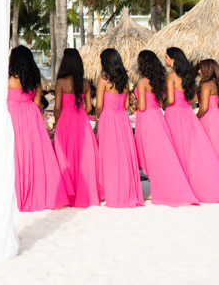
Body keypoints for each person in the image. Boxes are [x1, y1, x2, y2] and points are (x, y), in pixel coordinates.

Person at [163, 47, 219, 204]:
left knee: (176, 149)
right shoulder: (188, 77)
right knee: (189, 149)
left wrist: (163, 104)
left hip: (174, 113)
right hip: (187, 112)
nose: (165, 59)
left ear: (173, 59)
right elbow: (191, 99)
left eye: (167, 57)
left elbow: (170, 99)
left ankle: (181, 184)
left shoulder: (171, 77)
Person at [133, 50, 198, 206]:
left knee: (152, 155)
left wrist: (134, 103)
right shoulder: (160, 80)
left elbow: (141, 106)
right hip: (157, 116)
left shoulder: (142, 82)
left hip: (147, 117)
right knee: (161, 153)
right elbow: (161, 103)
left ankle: (162, 189)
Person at [8, 46, 68, 211]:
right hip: (30, 116)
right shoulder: (34, 78)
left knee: (15, 155)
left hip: (12, 115)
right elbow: (36, 103)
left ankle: (17, 194)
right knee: (32, 155)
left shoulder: (7, 78)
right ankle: (36, 192)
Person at [94, 48, 144, 208]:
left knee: (109, 155)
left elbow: (99, 105)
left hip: (108, 118)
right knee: (123, 154)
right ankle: (125, 189)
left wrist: (97, 116)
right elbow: (126, 105)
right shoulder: (124, 80)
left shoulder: (103, 80)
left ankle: (110, 190)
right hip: (122, 118)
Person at [52, 48, 100, 207]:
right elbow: (88, 108)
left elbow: (57, 107)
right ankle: (83, 192)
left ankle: (68, 191)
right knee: (82, 156)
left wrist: (57, 123)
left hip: (66, 120)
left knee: (66, 156)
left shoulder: (61, 82)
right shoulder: (85, 83)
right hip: (81, 121)